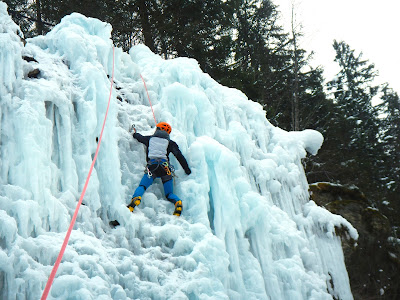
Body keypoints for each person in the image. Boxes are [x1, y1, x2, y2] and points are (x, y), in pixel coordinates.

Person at [128, 122, 191, 216]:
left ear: (157, 129)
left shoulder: (149, 139)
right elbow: (179, 156)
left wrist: (134, 133)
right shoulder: (170, 143)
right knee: (169, 194)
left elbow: (139, 137)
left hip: (152, 167)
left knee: (142, 186)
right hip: (165, 168)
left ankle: (135, 200)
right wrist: (187, 170)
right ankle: (177, 202)